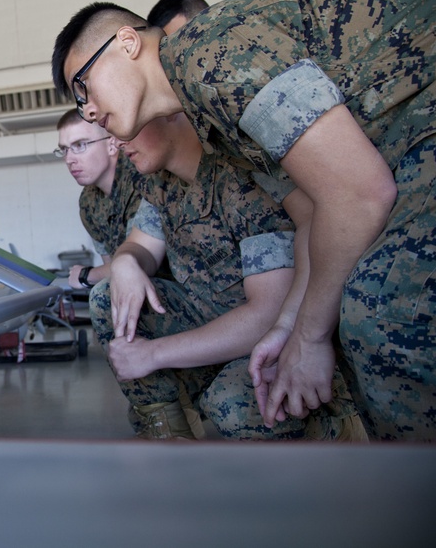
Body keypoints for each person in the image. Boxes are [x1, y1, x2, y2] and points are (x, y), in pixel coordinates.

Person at [52, 0, 436, 441]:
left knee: (382, 308)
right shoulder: (210, 116)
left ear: (128, 43)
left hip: (426, 108)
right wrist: (288, 327)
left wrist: (309, 336)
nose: (88, 110)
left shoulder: (208, 55)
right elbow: (312, 215)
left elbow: (358, 194)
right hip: (408, 130)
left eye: (84, 86)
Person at [92, 109, 363, 440]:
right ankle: (166, 432)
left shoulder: (241, 178)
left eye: (126, 124)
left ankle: (331, 431)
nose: (117, 141)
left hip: (270, 340)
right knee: (107, 294)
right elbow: (141, 247)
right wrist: (125, 263)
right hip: (209, 327)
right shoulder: (162, 181)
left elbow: (269, 313)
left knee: (230, 405)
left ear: (168, 113)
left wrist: (153, 354)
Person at [55, 109, 146, 290]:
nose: (69, 159)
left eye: (80, 145)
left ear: (111, 145)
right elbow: (110, 266)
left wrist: (86, 275)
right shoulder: (88, 202)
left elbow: (139, 263)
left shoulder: (141, 178)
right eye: (64, 149)